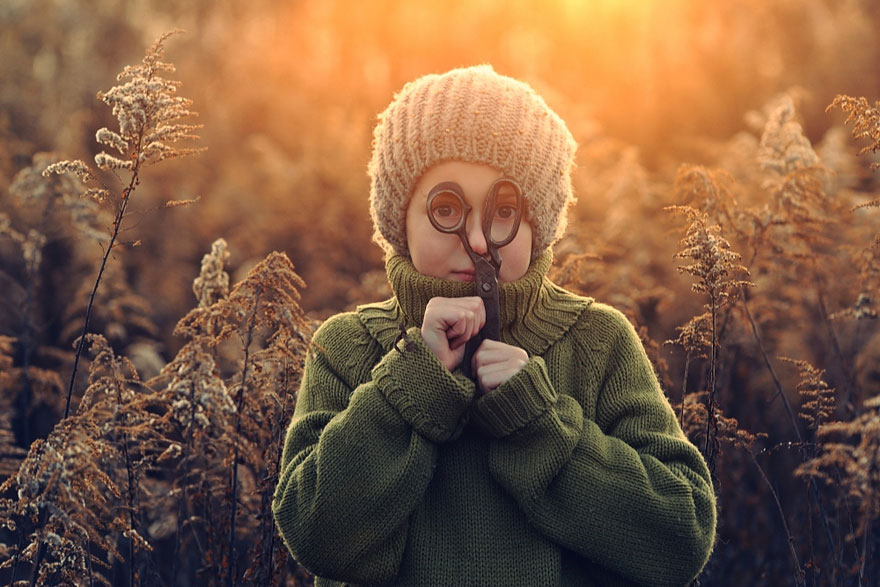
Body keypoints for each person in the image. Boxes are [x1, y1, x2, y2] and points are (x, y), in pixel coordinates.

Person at [272, 65, 716, 586]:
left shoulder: (598, 342)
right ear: (399, 220)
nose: (480, 242)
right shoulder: (349, 347)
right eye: (446, 208)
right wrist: (409, 387)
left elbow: (680, 538)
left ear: (540, 224)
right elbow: (314, 533)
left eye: (504, 210)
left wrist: (540, 424)